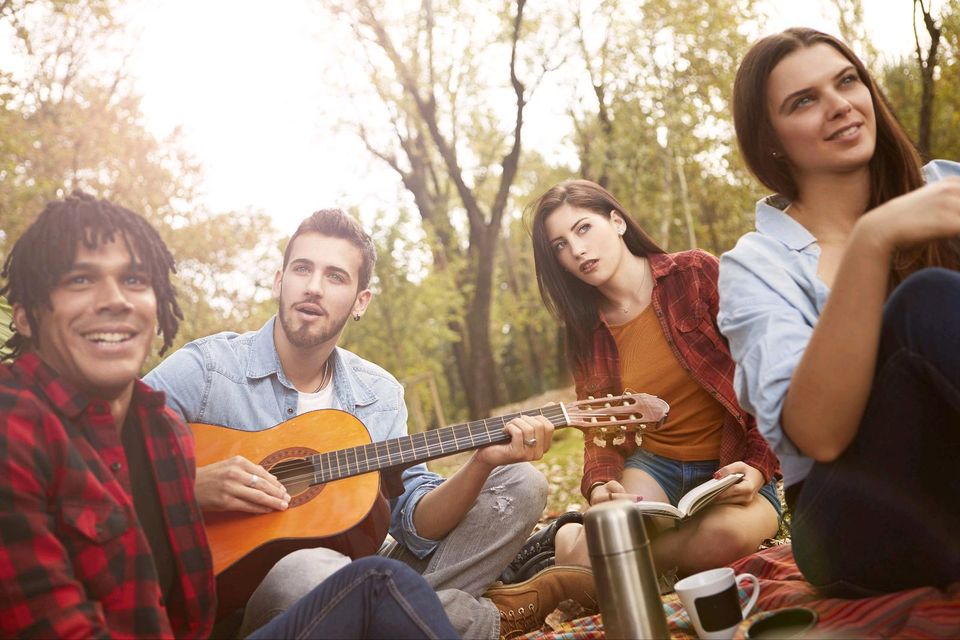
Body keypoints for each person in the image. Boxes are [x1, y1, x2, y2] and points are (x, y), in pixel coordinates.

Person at [0, 191, 459, 639]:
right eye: (81, 280)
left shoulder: (158, 428)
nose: (115, 300)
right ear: (24, 316)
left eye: (135, 281)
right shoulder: (17, 427)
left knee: (377, 581)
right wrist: (190, 488)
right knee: (370, 586)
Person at [144, 208, 595, 639]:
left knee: (521, 482)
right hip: (219, 603)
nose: (314, 287)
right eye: (302, 269)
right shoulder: (208, 369)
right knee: (312, 569)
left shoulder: (376, 393)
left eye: (335, 276)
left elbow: (415, 526)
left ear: (361, 301)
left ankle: (392, 616)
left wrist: (481, 463)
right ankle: (483, 619)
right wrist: (188, 486)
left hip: (356, 574)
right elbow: (90, 449)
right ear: (280, 280)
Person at [719, 27, 960, 597]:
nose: (840, 106)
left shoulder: (944, 187)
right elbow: (819, 437)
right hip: (853, 520)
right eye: (804, 101)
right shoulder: (757, 266)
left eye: (847, 81)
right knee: (923, 299)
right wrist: (873, 240)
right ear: (770, 139)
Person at [524, 179, 781, 582]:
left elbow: (766, 374)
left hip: (732, 467)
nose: (576, 250)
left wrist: (758, 465)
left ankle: (608, 564)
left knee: (719, 540)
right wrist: (600, 484)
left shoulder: (695, 274)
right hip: (655, 467)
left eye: (583, 228)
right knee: (597, 548)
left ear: (617, 222)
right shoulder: (584, 331)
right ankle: (587, 550)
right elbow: (600, 431)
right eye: (559, 245)